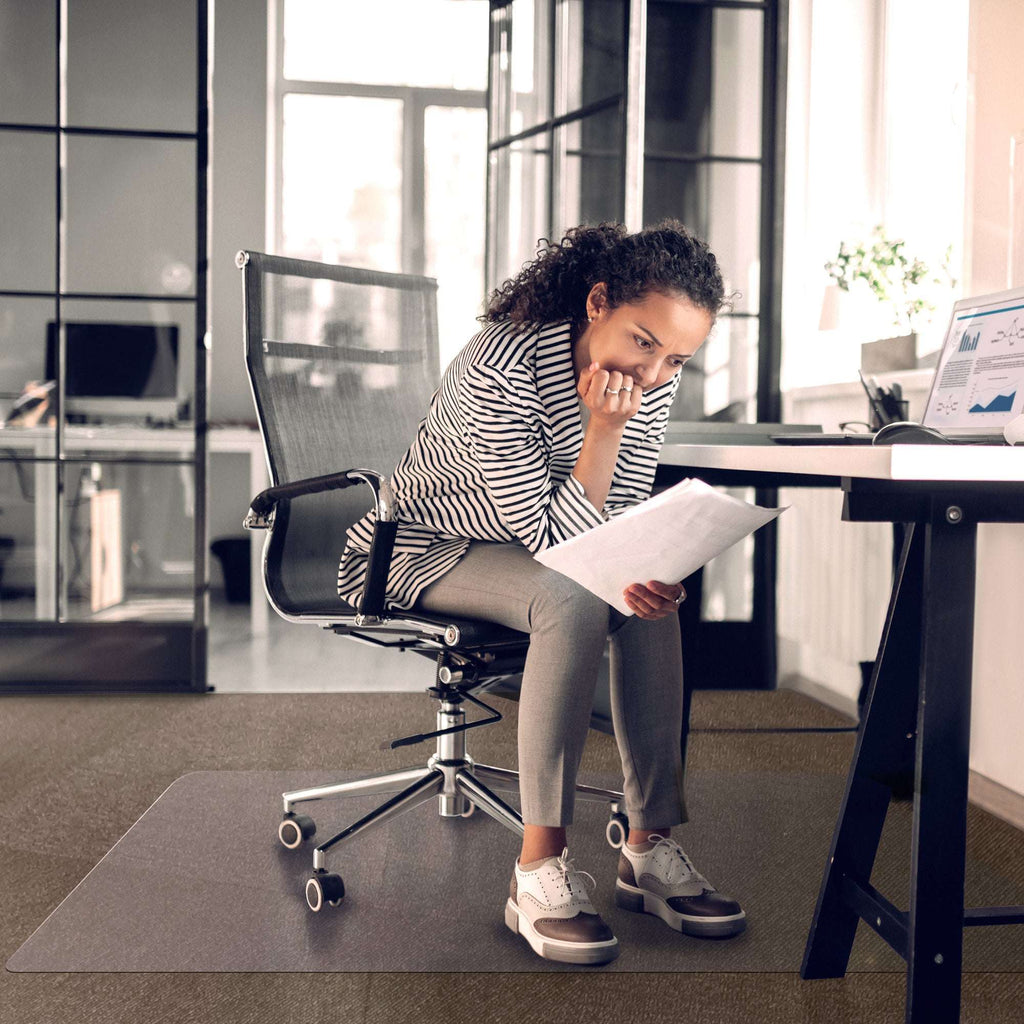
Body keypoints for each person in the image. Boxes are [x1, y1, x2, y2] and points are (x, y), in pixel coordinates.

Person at [338, 221, 745, 965]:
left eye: (678, 357)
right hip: (420, 549)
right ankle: (538, 870)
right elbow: (552, 543)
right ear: (596, 304)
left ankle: (649, 846)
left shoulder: (651, 376)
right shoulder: (502, 364)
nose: (655, 374)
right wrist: (603, 428)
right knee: (573, 594)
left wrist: (643, 563)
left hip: (534, 549)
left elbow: (612, 515)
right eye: (644, 342)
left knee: (646, 595)